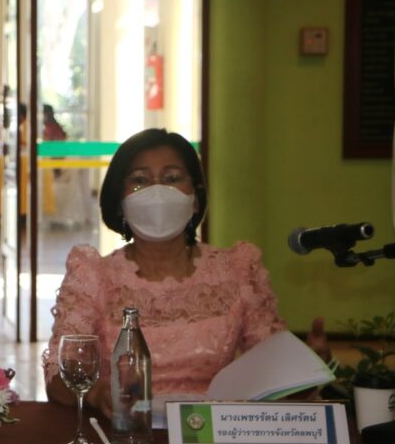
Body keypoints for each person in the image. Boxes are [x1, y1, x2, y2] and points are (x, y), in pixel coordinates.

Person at [43, 128, 329, 413]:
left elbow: (272, 371)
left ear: (195, 198)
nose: (157, 192)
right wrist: (96, 394)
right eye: (140, 180)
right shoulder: (93, 275)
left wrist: (307, 369)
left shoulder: (238, 269)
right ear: (120, 202)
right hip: (125, 430)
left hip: (214, 432)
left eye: (172, 178)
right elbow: (59, 377)